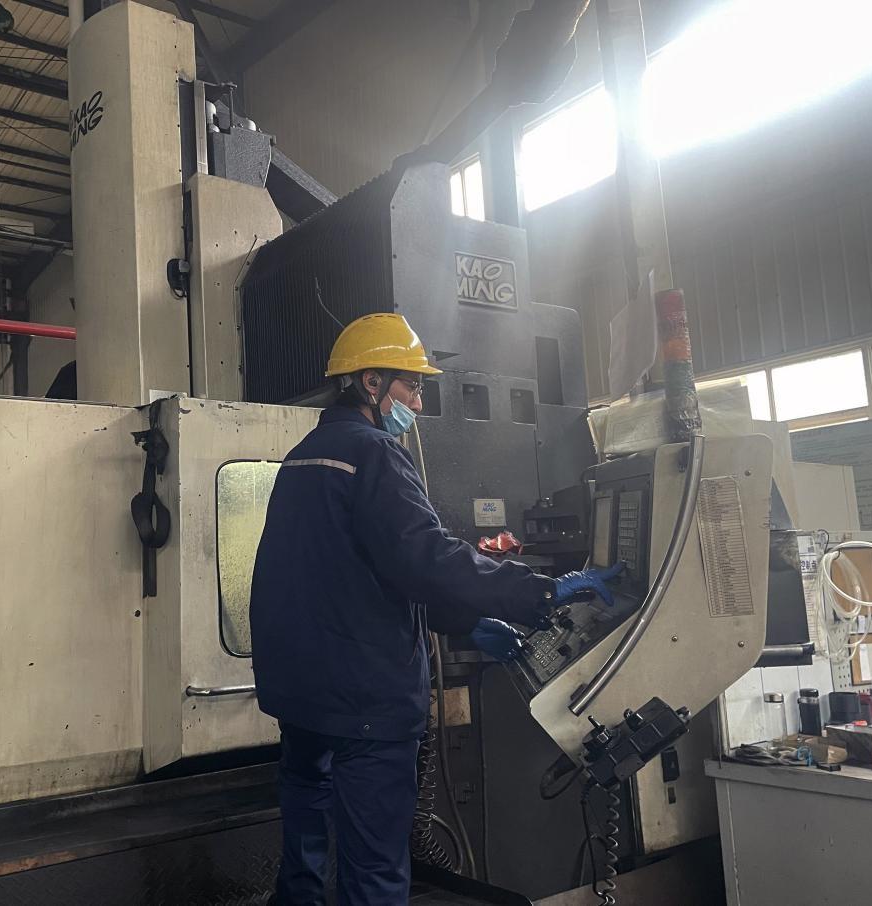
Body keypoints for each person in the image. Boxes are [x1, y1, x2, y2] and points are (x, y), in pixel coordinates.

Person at [250, 313, 622, 906]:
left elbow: (355, 574)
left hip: (300, 696)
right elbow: (427, 559)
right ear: (371, 381)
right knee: (374, 872)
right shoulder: (375, 453)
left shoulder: (304, 456)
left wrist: (465, 622)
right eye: (413, 386)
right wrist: (543, 592)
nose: (418, 404)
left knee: (304, 859)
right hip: (364, 702)